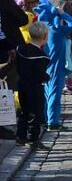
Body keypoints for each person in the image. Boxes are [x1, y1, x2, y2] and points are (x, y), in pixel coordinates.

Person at [35, 0, 72, 131]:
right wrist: (62, 14)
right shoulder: (57, 30)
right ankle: (52, 122)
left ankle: (49, 119)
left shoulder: (45, 28)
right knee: (54, 94)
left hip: (47, 64)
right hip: (56, 65)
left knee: (48, 93)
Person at [15, 21, 50, 149]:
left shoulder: (21, 49)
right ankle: (33, 138)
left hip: (22, 84)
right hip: (35, 87)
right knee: (36, 113)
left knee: (24, 111)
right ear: (44, 37)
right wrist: (47, 77)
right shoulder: (42, 57)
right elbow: (39, 74)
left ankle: (21, 136)